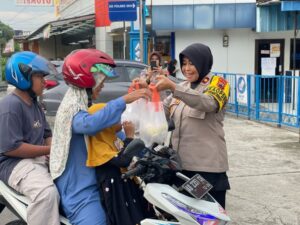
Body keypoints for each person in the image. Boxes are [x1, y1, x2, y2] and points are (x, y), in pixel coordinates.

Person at [49, 49, 151, 225]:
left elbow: (113, 131)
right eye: (100, 80)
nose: (102, 85)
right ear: (87, 80)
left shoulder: (84, 104)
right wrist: (125, 99)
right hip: (80, 189)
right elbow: (90, 124)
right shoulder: (70, 108)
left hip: (98, 181)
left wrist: (145, 150)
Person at [139, 43, 230, 208]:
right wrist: (147, 93)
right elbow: (161, 113)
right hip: (181, 167)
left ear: (203, 62)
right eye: (184, 63)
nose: (187, 68)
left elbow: (208, 103)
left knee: (206, 217)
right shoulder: (182, 87)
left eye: (192, 63)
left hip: (206, 170)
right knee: (185, 215)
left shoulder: (219, 84)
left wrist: (173, 87)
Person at [0, 51, 60, 225]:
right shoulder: (10, 106)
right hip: (13, 165)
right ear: (23, 77)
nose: (44, 81)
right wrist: (51, 149)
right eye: (39, 77)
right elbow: (12, 148)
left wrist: (55, 151)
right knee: (46, 194)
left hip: (35, 160)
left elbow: (47, 134)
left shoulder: (35, 104)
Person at [87, 103, 151, 225]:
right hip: (116, 190)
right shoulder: (98, 144)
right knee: (124, 218)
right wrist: (130, 137)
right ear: (104, 123)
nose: (121, 120)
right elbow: (122, 160)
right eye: (116, 117)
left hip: (124, 184)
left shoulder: (114, 138)